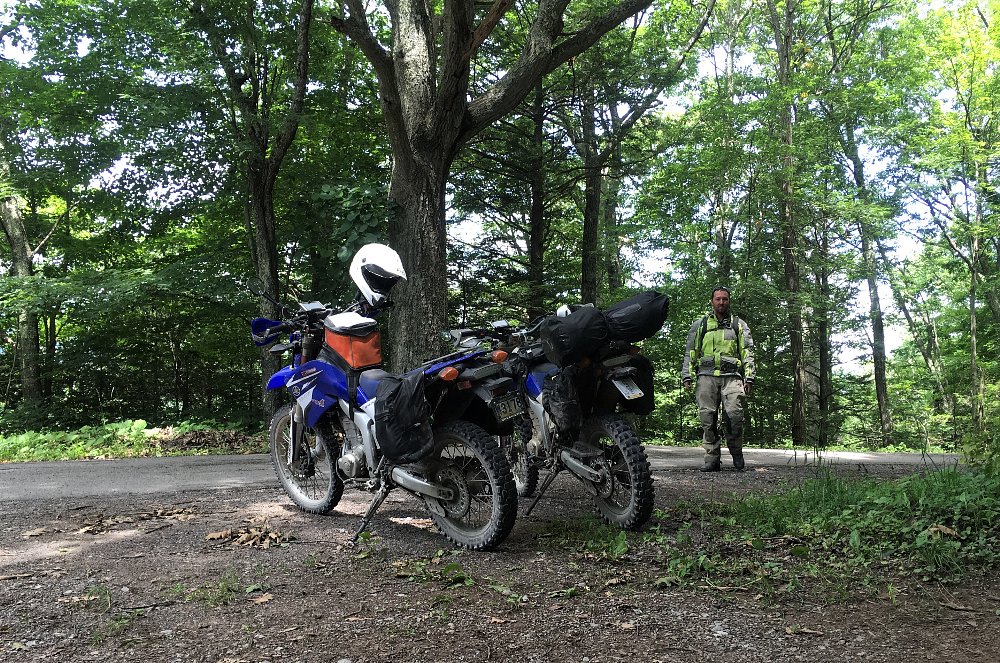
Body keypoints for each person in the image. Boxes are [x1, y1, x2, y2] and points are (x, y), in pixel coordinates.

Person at [681, 287, 755, 472]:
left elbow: (747, 352)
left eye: (725, 299)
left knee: (735, 417)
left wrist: (750, 377)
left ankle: (737, 454)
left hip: (732, 378)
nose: (721, 302)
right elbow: (691, 351)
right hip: (706, 377)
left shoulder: (738, 324)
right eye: (718, 299)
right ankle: (712, 459)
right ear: (712, 301)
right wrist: (687, 375)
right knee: (707, 418)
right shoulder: (701, 325)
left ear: (729, 301)